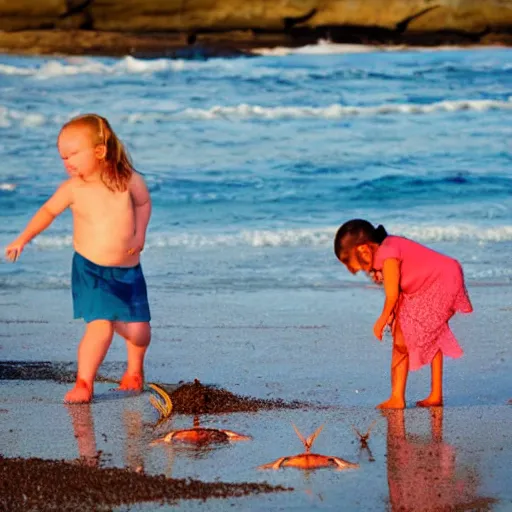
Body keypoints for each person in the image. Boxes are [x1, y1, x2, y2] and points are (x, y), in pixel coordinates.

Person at [4, 113, 152, 403]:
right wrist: (23, 238)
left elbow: (144, 203)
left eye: (73, 154)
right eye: (63, 157)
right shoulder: (73, 188)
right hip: (91, 269)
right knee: (99, 327)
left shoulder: (127, 179)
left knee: (139, 333)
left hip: (128, 272)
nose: (67, 162)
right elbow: (48, 212)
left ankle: (134, 371)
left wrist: (140, 235)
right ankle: (84, 383)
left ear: (99, 151)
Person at [334, 219, 472, 409]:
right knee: (421, 333)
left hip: (441, 280)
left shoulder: (388, 254)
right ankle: (428, 395)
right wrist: (392, 314)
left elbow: (392, 295)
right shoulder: (386, 249)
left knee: (407, 338)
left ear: (364, 251)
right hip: (428, 282)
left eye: (351, 264)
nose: (353, 271)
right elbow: (397, 289)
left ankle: (400, 398)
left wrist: (381, 321)